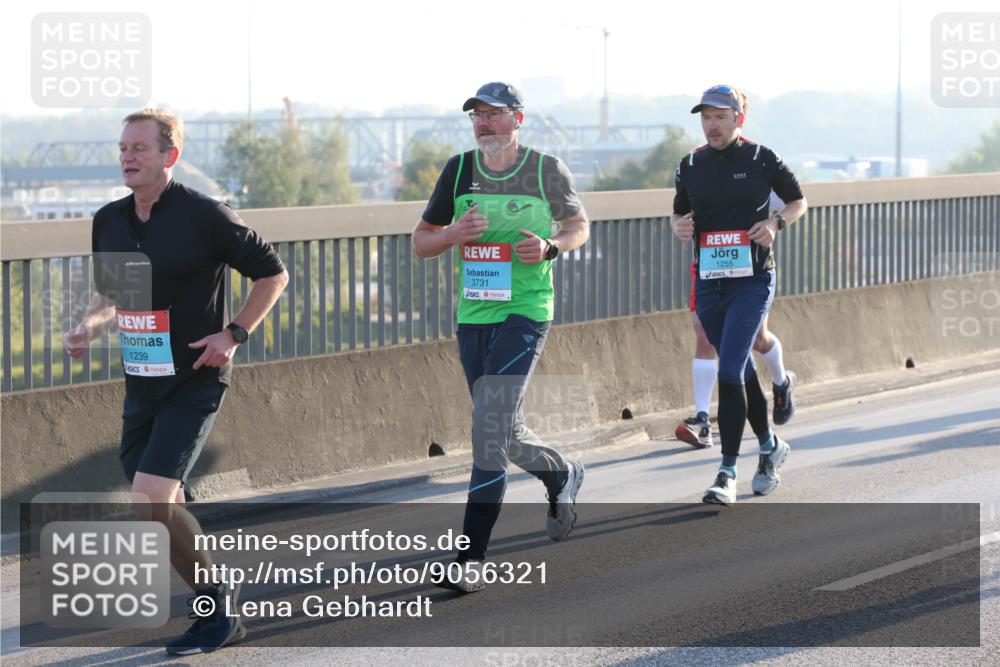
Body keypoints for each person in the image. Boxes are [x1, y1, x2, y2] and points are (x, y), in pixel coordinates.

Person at [62, 109, 288, 653]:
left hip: (195, 378)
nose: (128, 157)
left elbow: (272, 274)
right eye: (123, 148)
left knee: (150, 499)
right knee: (159, 506)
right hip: (142, 382)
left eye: (140, 148)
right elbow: (113, 293)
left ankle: (219, 606)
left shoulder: (207, 215)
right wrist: (89, 326)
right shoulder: (110, 220)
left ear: (170, 155)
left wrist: (233, 334)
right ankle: (213, 605)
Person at [413, 82, 590, 592]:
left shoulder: (545, 170)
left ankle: (471, 559)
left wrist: (552, 246)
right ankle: (560, 473)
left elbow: (578, 225)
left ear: (518, 119)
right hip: (474, 315)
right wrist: (452, 234)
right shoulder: (459, 170)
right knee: (503, 432)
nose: (484, 123)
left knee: (488, 432)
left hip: (525, 313)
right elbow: (421, 241)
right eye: (477, 115)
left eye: (493, 114)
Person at [671, 85, 807, 505]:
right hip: (710, 282)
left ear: (738, 119)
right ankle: (770, 447)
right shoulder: (690, 164)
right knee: (742, 370)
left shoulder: (761, 158)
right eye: (706, 118)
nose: (711, 125)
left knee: (729, 370)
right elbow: (678, 210)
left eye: (720, 117)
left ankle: (726, 473)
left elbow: (798, 201)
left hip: (753, 280)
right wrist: (677, 225)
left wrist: (776, 224)